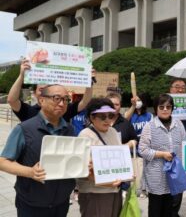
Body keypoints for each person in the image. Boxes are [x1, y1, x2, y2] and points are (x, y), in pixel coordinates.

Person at [0, 84, 76, 217]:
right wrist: (30, 172)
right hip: (32, 205)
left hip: (61, 203)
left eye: (66, 99)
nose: (62, 103)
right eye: (57, 98)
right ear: (41, 100)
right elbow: (3, 161)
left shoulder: (69, 129)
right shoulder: (24, 129)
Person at [139, 94, 186, 217]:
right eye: (161, 107)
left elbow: (185, 146)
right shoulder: (149, 127)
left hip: (175, 176)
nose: (165, 109)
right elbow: (143, 150)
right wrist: (161, 154)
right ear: (156, 108)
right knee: (155, 211)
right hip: (156, 177)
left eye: (168, 106)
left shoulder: (179, 124)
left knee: (170, 211)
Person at [77, 98, 123, 217]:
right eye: (102, 117)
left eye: (111, 115)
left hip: (115, 190)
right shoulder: (85, 135)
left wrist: (126, 174)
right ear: (92, 117)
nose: (107, 120)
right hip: (94, 193)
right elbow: (83, 170)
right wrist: (107, 183)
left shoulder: (113, 131)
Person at [7, 59, 93, 122]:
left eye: (47, 89)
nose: (44, 93)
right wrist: (21, 75)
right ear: (34, 93)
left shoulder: (62, 109)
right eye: (41, 90)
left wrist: (90, 82)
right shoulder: (28, 111)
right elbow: (11, 100)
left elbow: (84, 102)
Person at [168, 78, 186, 216]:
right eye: (177, 87)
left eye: (183, 87)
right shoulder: (165, 105)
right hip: (167, 154)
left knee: (179, 187)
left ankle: (175, 212)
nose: (180, 90)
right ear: (171, 89)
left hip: (183, 152)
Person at [125, 93, 153, 197]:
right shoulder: (131, 114)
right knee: (135, 169)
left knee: (145, 169)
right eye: (135, 100)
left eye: (139, 100)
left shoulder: (149, 116)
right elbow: (125, 119)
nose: (137, 102)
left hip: (145, 147)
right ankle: (134, 189)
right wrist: (132, 106)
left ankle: (144, 189)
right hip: (133, 148)